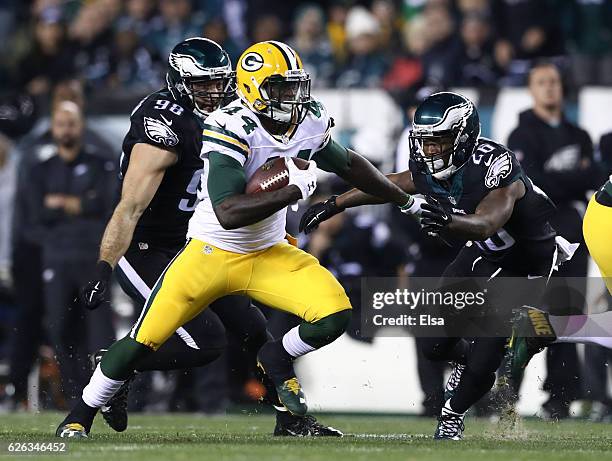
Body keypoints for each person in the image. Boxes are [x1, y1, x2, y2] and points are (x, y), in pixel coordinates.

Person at [56, 39, 420, 438]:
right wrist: (104, 264)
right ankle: (89, 401)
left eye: (220, 82)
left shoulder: (277, 113)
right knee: (195, 339)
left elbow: (348, 163)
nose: (214, 93)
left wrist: (402, 200)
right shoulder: (186, 122)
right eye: (202, 85)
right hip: (164, 243)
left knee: (266, 335)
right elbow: (138, 207)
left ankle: (291, 419)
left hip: (256, 246)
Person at [300, 92, 575, 439]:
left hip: (527, 264)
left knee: (486, 353)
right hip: (484, 254)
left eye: (439, 140)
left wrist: (448, 222)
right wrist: (336, 202)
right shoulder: (435, 162)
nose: (430, 150)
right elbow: (393, 184)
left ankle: (454, 411)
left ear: (463, 136)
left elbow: (487, 222)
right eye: (425, 141)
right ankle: (485, 354)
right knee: (433, 342)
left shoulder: (495, 166)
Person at [507, 61, 602, 418]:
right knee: (528, 314)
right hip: (537, 236)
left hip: (574, 236)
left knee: (568, 317)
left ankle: (560, 398)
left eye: (554, 82)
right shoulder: (521, 135)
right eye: (542, 82)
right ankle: (504, 394)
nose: (549, 88)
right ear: (531, 89)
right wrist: (572, 179)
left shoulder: (578, 135)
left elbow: (594, 174)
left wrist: (560, 179)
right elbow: (531, 182)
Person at [28, 100, 117, 404]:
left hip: (94, 259)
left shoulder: (101, 164)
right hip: (57, 257)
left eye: (71, 123)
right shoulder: (40, 170)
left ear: (81, 126)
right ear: (53, 129)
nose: (66, 129)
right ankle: (74, 396)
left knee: (100, 333)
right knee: (60, 330)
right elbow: (37, 214)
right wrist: (81, 203)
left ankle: (106, 396)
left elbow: (106, 207)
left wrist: (62, 203)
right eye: (61, 123)